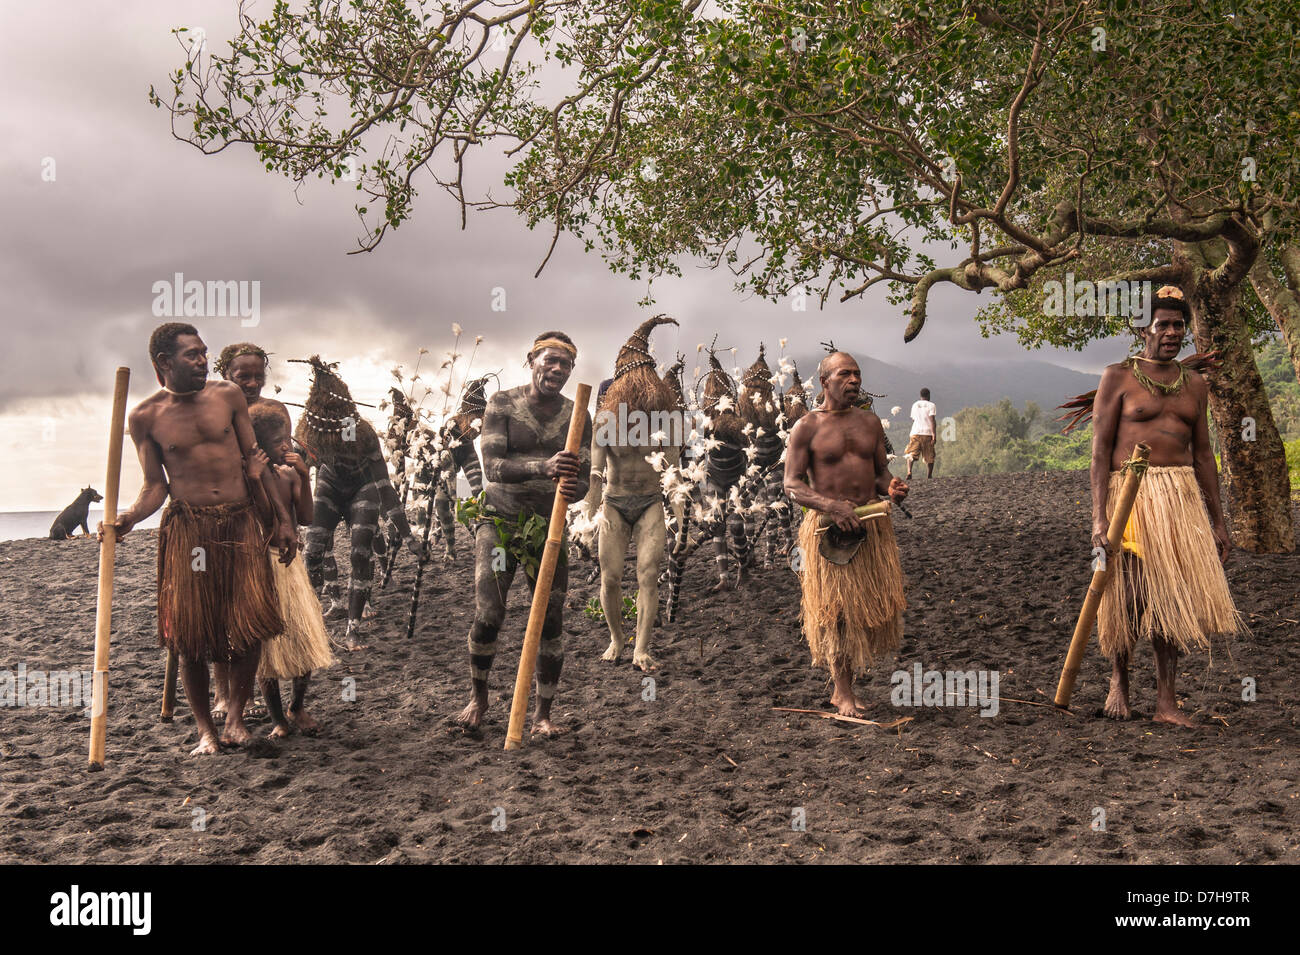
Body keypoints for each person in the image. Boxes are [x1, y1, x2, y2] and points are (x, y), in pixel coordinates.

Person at [99, 323, 293, 754]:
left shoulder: (227, 397)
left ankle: (237, 720)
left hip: (242, 522)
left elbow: (253, 464)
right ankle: (206, 730)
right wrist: (128, 517)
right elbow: (155, 486)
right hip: (190, 530)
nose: (203, 361)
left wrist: (280, 520)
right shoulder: (146, 417)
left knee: (250, 625)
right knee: (190, 636)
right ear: (163, 364)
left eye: (204, 353)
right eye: (192, 355)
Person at [1089, 285, 1244, 725]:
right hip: (1131, 497)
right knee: (1130, 592)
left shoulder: (1194, 384)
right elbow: (1100, 452)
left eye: (1180, 325)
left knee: (1170, 598)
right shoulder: (1116, 378)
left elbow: (1203, 456)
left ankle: (1166, 703)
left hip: (1180, 498)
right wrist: (1099, 517)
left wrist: (1219, 521)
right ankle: (1119, 680)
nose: (1174, 332)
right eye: (1165, 324)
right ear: (1144, 328)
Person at [456, 331, 591, 735]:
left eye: (565, 364)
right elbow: (493, 465)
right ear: (531, 360)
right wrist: (542, 468)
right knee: (490, 614)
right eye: (549, 361)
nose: (557, 370)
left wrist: (575, 489)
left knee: (551, 621)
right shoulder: (502, 404)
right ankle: (478, 699)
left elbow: (581, 479)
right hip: (499, 521)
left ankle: (543, 716)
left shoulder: (577, 414)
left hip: (548, 528)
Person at [784, 351, 909, 717]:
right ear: (825, 382)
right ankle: (842, 692)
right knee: (835, 610)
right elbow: (791, 484)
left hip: (871, 524)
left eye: (857, 374)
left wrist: (892, 488)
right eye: (845, 374)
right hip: (829, 530)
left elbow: (879, 473)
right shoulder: (806, 426)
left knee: (863, 610)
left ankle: (846, 689)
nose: (854, 380)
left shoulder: (870, 423)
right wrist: (830, 506)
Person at [584, 316, 680, 672]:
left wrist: (682, 524)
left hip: (650, 503)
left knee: (648, 574)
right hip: (614, 503)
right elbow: (596, 473)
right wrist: (588, 518)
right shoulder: (605, 424)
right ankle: (616, 638)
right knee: (609, 577)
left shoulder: (665, 421)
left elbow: (673, 474)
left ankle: (641, 648)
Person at [249, 403, 336, 736]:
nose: (286, 447)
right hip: (261, 564)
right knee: (267, 651)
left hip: (291, 566)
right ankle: (278, 720)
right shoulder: (249, 477)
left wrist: (303, 475)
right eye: (277, 442)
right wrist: (256, 477)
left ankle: (297, 706)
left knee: (303, 637)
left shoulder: (288, 474)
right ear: (258, 446)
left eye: (287, 439)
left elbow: (307, 518)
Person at [904, 387, 937, 480]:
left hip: (915, 432)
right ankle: (929, 475)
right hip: (927, 433)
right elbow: (932, 420)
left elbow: (913, 418)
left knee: (911, 453)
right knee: (929, 455)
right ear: (929, 395)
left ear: (921, 396)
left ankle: (909, 471)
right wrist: (934, 434)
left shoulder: (915, 405)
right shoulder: (931, 405)